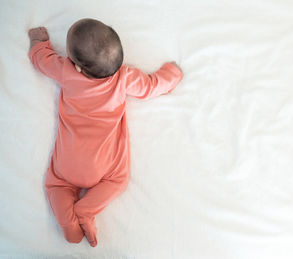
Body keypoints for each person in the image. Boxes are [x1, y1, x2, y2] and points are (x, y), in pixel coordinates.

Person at [28, 18, 183, 247]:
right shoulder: (123, 77)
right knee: (118, 181)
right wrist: (172, 74)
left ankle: (68, 223)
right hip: (103, 165)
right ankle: (86, 210)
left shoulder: (65, 71)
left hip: (67, 161)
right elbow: (151, 86)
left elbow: (41, 61)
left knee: (56, 185)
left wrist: (39, 43)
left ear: (78, 66)